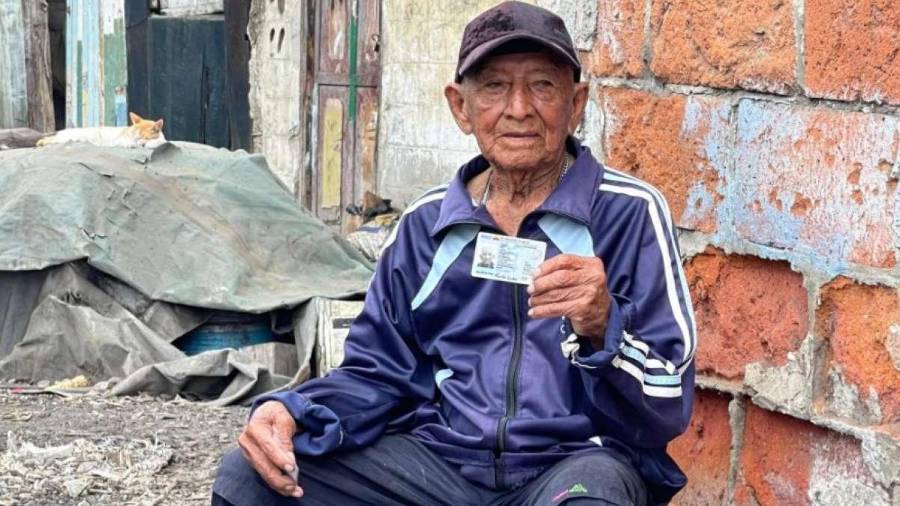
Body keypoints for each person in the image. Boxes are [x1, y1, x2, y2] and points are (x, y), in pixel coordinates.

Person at [212, 2, 696, 504]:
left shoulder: (629, 213)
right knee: (249, 480)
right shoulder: (426, 224)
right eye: (493, 87)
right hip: (439, 467)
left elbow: (669, 405)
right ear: (460, 107)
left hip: (571, 465)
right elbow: (377, 371)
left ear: (575, 105)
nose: (518, 109)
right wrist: (292, 410)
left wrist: (603, 326)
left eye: (543, 86)